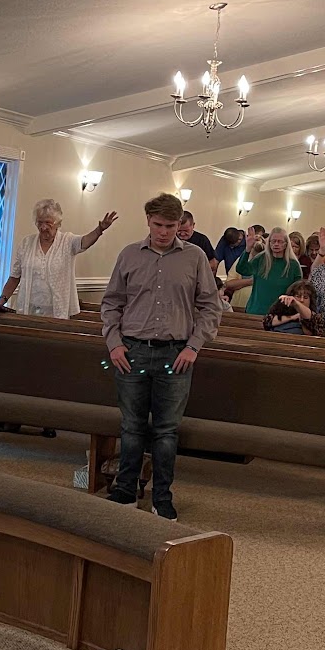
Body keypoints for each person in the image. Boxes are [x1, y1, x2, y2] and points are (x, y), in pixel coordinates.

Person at [101, 193, 222, 520]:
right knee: (131, 426)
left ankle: (162, 497)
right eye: (158, 225)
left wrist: (194, 346)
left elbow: (211, 307)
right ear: (148, 221)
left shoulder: (194, 257)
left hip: (176, 353)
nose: (164, 232)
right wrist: (114, 343)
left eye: (170, 226)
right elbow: (111, 303)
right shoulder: (129, 255)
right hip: (132, 351)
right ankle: (125, 490)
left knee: (166, 431)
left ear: (180, 224)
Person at [0, 200, 117, 318]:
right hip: (28, 310)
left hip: (56, 312)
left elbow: (84, 242)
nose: (43, 227)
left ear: (58, 223)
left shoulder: (67, 241)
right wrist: (2, 300)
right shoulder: (26, 243)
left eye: (48, 222)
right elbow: (14, 277)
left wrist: (99, 230)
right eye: (40, 222)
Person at [225, 226, 305, 315]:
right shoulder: (261, 258)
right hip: (256, 311)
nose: (276, 244)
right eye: (273, 241)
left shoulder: (293, 265)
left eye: (280, 241)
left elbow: (297, 290)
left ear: (286, 244)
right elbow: (242, 269)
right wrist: (247, 249)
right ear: (269, 243)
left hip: (280, 314)